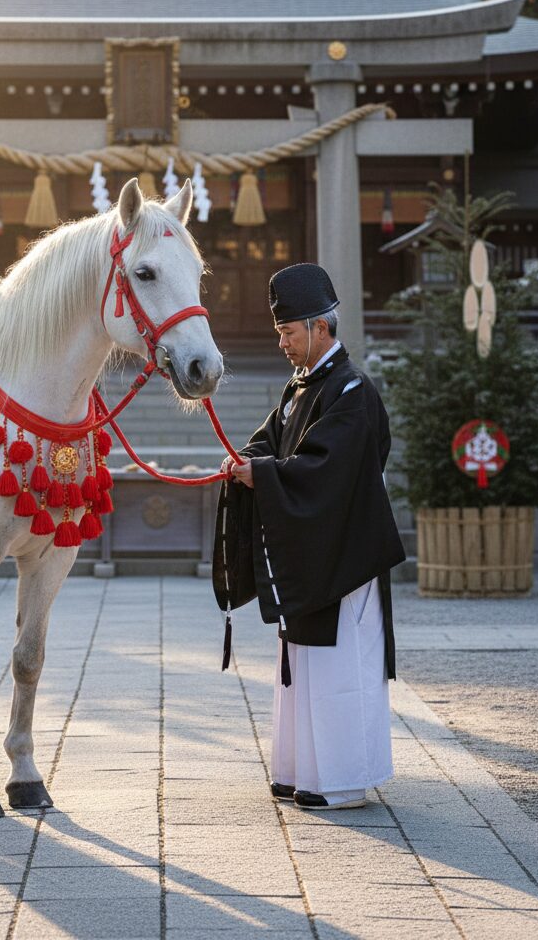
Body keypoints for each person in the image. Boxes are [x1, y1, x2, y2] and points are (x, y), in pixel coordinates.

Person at [212, 263, 406, 809]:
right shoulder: (302, 390)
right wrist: (242, 463)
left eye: (288, 332)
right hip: (316, 548)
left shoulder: (352, 390)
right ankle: (301, 769)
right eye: (279, 332)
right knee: (301, 663)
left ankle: (342, 779)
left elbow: (330, 468)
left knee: (339, 665)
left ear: (321, 327)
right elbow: (267, 443)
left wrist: (267, 475)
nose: (281, 343)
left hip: (345, 552)